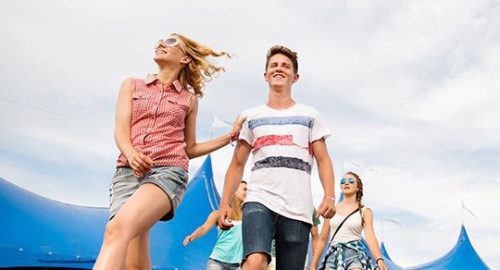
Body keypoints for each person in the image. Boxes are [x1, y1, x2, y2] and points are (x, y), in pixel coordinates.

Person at [93, 33, 245, 270]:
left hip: (166, 172)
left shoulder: (189, 100)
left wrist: (230, 137)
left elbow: (191, 148)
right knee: (134, 256)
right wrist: (132, 154)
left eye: (171, 42)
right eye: (160, 40)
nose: (161, 43)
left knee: (115, 230)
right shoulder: (131, 85)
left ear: (184, 58)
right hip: (126, 174)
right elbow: (121, 131)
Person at [218, 45, 336, 270]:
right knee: (255, 261)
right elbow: (237, 164)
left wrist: (329, 196)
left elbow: (323, 160)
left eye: (285, 66)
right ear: (265, 75)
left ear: (295, 77)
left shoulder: (310, 115)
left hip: (298, 206)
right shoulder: (251, 117)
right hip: (259, 199)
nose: (279, 69)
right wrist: (225, 202)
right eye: (274, 65)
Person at [309, 172, 388, 270]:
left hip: (355, 253)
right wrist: (313, 264)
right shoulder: (331, 209)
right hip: (333, 254)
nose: (346, 183)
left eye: (351, 181)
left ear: (358, 187)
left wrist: (379, 258)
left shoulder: (365, 211)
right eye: (343, 181)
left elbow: (370, 236)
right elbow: (323, 239)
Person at [183, 181, 248, 270]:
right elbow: (203, 228)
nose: (247, 192)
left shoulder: (248, 216)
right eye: (244, 189)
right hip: (217, 261)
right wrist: (192, 236)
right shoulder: (219, 214)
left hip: (238, 264)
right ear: (234, 191)